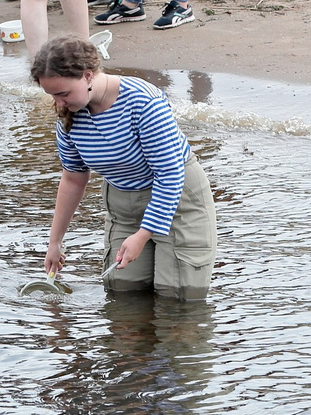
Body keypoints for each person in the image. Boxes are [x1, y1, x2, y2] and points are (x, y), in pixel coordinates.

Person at [32, 35, 216, 297]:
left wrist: (143, 235)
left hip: (179, 205)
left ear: (87, 76)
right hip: (123, 209)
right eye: (51, 95)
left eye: (63, 94)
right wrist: (55, 242)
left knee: (177, 299)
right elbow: (73, 178)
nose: (58, 104)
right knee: (122, 294)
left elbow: (169, 174)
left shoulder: (143, 102)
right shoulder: (67, 116)